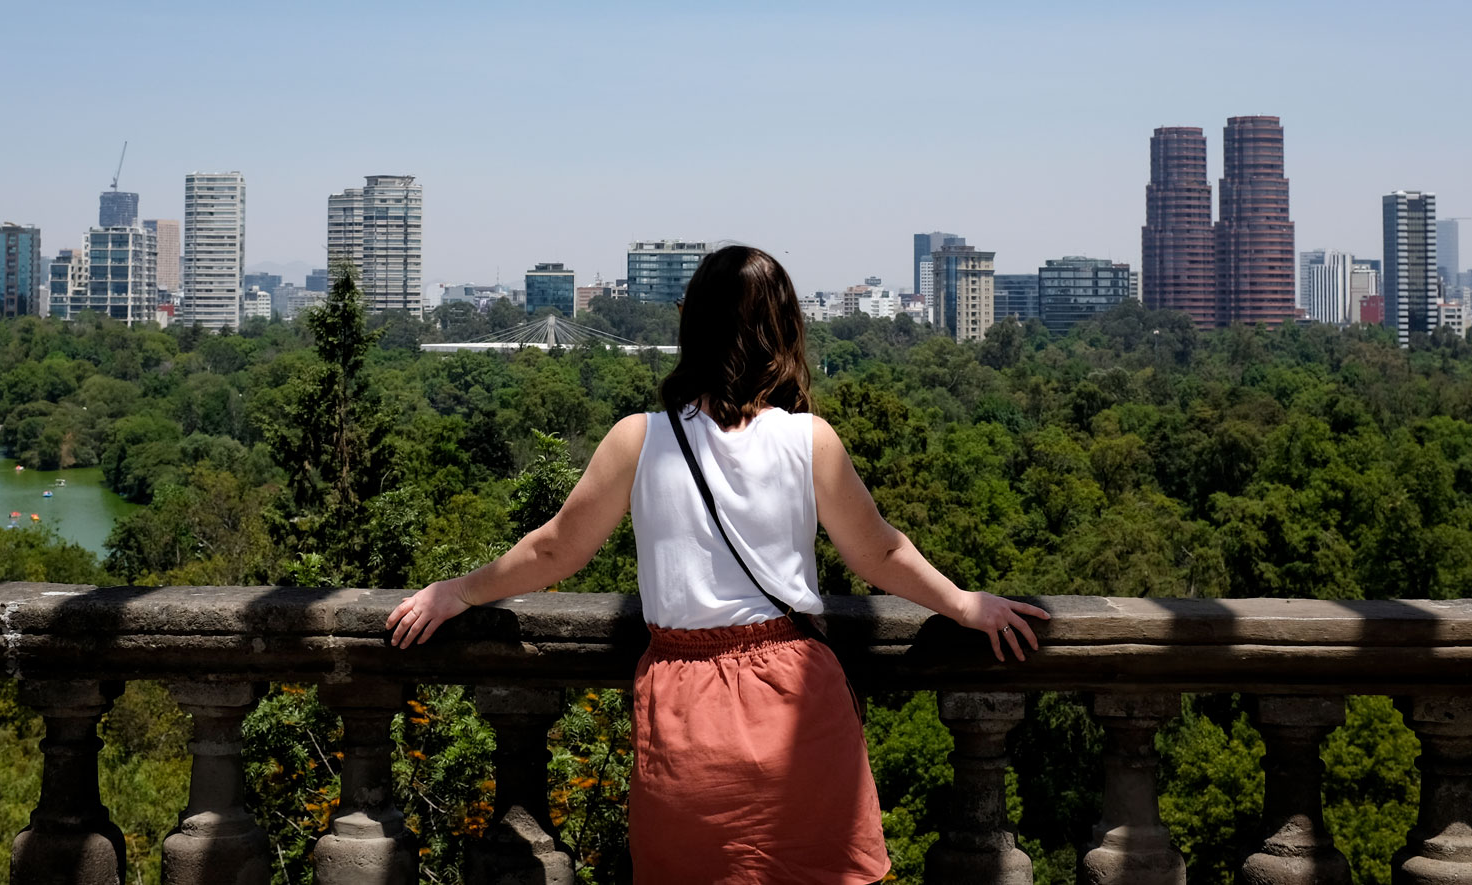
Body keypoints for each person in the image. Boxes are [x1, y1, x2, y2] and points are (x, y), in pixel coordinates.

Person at [387, 244, 1049, 883]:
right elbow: (879, 551)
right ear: (784, 332)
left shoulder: (638, 438)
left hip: (687, 707)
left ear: (690, 325)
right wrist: (965, 603)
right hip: (797, 698)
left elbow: (557, 547)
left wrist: (457, 591)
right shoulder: (808, 439)